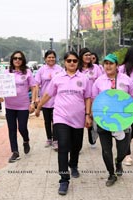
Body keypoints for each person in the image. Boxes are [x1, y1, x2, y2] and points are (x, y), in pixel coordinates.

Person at [35, 51, 91, 195]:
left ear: (77, 62)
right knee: (63, 145)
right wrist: (39, 106)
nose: (72, 63)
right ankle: (64, 179)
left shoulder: (84, 78)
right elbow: (48, 94)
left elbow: (88, 98)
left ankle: (73, 164)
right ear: (65, 62)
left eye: (74, 61)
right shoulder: (58, 78)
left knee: (76, 145)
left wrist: (87, 115)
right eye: (69, 61)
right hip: (61, 117)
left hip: (78, 118)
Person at [92, 53, 133, 186]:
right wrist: (91, 115)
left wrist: (131, 109)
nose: (108, 66)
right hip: (104, 120)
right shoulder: (99, 81)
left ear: (117, 65)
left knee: (123, 150)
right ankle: (111, 174)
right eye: (106, 63)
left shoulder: (126, 80)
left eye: (111, 63)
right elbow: (95, 99)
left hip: (122, 120)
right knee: (106, 150)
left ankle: (118, 162)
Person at [4, 50, 36, 163]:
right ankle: (15, 152)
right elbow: (1, 86)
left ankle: (26, 140)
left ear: (23, 60)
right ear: (12, 60)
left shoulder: (27, 72)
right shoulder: (7, 72)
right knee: (11, 129)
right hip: (9, 106)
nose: (17, 60)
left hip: (23, 106)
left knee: (22, 127)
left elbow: (34, 87)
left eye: (20, 58)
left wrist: (33, 102)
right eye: (15, 58)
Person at [35, 50, 63, 150]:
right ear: (45, 59)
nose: (51, 59)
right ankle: (49, 138)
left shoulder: (60, 69)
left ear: (55, 58)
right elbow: (36, 84)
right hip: (45, 99)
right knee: (47, 121)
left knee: (56, 121)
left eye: (53, 57)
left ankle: (56, 140)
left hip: (57, 100)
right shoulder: (41, 70)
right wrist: (37, 98)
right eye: (49, 57)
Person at [78, 48, 102, 148]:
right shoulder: (77, 69)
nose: (88, 57)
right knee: (79, 122)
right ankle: (77, 144)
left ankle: (92, 139)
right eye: (86, 55)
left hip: (93, 99)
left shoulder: (96, 68)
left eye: (89, 55)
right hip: (79, 99)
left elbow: (101, 81)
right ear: (81, 57)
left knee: (91, 119)